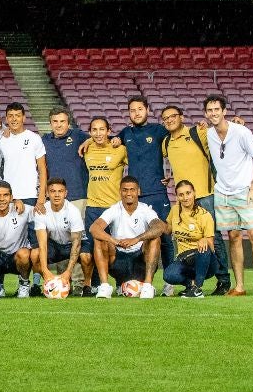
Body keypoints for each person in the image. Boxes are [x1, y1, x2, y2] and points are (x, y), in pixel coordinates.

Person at [159, 104, 231, 295]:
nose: (169, 120)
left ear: (181, 116)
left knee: (214, 239)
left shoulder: (197, 132)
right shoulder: (166, 143)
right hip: (182, 198)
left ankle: (223, 280)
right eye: (165, 118)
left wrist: (235, 123)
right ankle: (192, 281)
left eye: (172, 116)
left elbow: (222, 135)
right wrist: (169, 177)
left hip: (205, 195)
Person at [204, 94, 253, 297]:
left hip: (244, 191)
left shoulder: (241, 132)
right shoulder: (208, 134)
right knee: (233, 237)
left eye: (217, 109)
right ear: (206, 114)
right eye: (210, 110)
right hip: (222, 192)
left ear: (224, 111)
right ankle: (240, 286)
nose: (213, 113)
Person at [116, 96, 175, 270]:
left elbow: (178, 141)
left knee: (165, 236)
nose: (136, 113)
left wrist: (173, 172)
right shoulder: (125, 133)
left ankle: (169, 280)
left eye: (140, 109)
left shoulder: (158, 130)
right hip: (135, 196)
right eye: (132, 110)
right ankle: (134, 279)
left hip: (156, 192)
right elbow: (106, 138)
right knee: (134, 238)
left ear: (148, 110)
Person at [88, 176, 169, 299]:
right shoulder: (114, 209)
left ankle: (147, 286)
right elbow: (94, 228)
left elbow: (159, 227)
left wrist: (136, 239)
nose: (128, 193)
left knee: (155, 239)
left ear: (138, 191)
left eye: (132, 189)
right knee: (99, 239)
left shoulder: (145, 209)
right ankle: (104, 286)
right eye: (125, 190)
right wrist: (114, 241)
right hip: (118, 260)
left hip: (140, 261)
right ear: (120, 192)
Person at [41, 106, 90, 291]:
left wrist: (91, 140)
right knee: (58, 239)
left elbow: (100, 137)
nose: (59, 125)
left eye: (62, 121)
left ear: (68, 122)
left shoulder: (78, 136)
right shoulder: (44, 140)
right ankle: (62, 282)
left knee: (76, 240)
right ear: (50, 123)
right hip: (54, 198)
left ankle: (79, 283)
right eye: (55, 121)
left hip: (78, 196)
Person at [82, 117, 128, 275]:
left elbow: (139, 164)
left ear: (109, 131)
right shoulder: (87, 148)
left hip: (113, 206)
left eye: (102, 129)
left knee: (114, 249)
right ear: (90, 132)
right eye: (94, 130)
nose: (98, 133)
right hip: (92, 206)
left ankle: (120, 280)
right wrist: (88, 141)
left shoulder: (120, 149)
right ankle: (94, 284)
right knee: (93, 247)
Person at [33, 178, 93, 296]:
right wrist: (45, 270)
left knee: (86, 257)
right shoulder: (41, 211)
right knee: (35, 254)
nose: (56, 195)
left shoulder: (73, 211)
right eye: (52, 191)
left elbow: (77, 244)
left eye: (60, 191)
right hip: (54, 244)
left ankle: (87, 286)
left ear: (65, 193)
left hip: (72, 244)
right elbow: (42, 244)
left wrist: (68, 272)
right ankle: (40, 284)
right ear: (47, 193)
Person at [163, 180, 217, 299]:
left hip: (205, 260)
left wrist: (205, 240)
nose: (185, 197)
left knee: (204, 247)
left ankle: (197, 289)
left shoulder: (204, 215)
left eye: (188, 193)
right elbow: (167, 230)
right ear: (177, 196)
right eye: (181, 194)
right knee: (168, 275)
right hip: (184, 259)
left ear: (194, 193)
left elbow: (211, 246)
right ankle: (191, 286)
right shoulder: (174, 210)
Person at [0, 181, 35, 298]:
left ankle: (24, 284)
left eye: (5, 195)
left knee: (25, 253)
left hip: (17, 258)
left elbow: (42, 212)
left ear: (11, 197)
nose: (2, 199)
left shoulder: (23, 210)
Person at [0, 102, 47, 213]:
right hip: (8, 196)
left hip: (30, 195)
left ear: (24, 118)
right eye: (10, 116)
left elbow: (42, 169)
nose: (14, 119)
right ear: (6, 119)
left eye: (17, 115)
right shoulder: (1, 139)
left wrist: (41, 197)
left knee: (32, 230)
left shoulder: (34, 138)